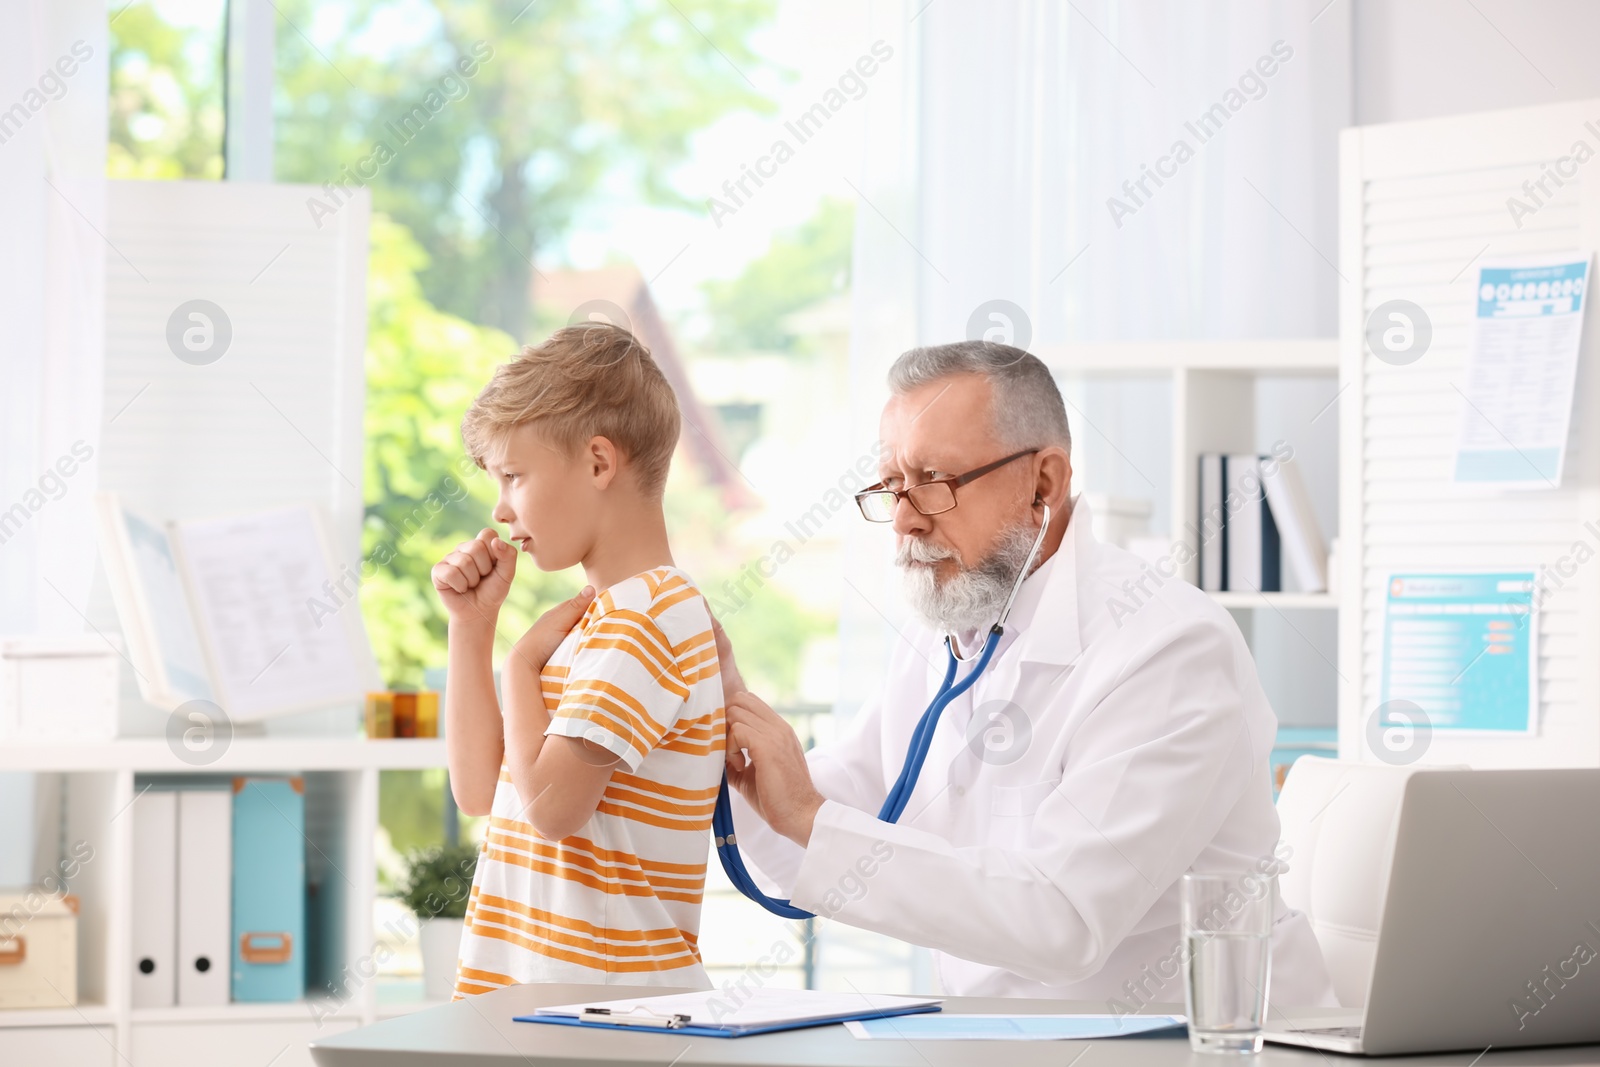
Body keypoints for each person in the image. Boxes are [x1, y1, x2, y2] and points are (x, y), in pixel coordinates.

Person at [716, 340, 1335, 1007]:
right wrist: (716, 738)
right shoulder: (949, 634)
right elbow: (829, 818)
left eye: (934, 481)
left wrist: (808, 815)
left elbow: (1063, 919)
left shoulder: (1170, 647)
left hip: (1196, 1047)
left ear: (1044, 481)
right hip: (1001, 1038)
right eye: (893, 484)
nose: (903, 517)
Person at [433, 323, 723, 994]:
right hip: (555, 1007)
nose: (502, 509)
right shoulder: (602, 617)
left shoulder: (647, 618)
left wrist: (518, 667)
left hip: (607, 1016)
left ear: (598, 463)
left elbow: (554, 807)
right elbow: (480, 790)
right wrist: (472, 631)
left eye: (514, 475)